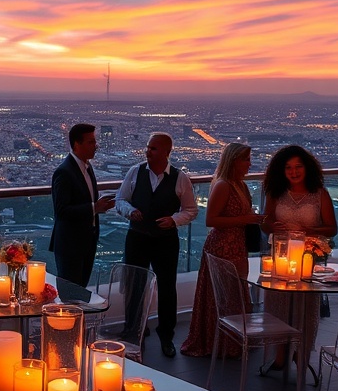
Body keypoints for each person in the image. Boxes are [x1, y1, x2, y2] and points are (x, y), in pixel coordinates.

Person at [115, 132, 199, 357]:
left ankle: (166, 335)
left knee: (167, 287)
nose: (147, 151)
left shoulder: (180, 178)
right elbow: (120, 200)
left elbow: (191, 210)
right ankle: (133, 330)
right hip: (138, 237)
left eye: (152, 148)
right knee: (135, 284)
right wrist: (130, 211)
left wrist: (173, 220)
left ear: (166, 152)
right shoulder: (135, 172)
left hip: (165, 240)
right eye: (148, 147)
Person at [260, 145, 337, 373]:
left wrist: (308, 233)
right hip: (281, 256)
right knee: (278, 304)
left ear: (307, 167)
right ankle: (280, 353)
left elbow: (331, 228)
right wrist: (271, 225)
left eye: (298, 167)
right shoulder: (275, 193)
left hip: (305, 257)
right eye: (288, 168)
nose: (293, 172)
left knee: (304, 306)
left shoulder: (320, 194)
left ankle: (301, 353)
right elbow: (265, 223)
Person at [181, 144, 263, 357]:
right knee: (223, 294)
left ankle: (231, 341)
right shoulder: (224, 185)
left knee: (235, 292)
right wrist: (246, 219)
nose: (250, 164)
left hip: (237, 245)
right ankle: (219, 342)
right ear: (234, 161)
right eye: (246, 159)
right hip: (223, 246)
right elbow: (211, 220)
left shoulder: (240, 186)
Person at [49, 123, 115, 287]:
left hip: (87, 241)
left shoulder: (87, 167)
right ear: (77, 144)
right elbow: (61, 210)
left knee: (81, 289)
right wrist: (95, 208)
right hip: (70, 244)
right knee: (71, 293)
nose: (96, 146)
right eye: (91, 142)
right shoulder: (64, 172)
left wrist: (98, 206)